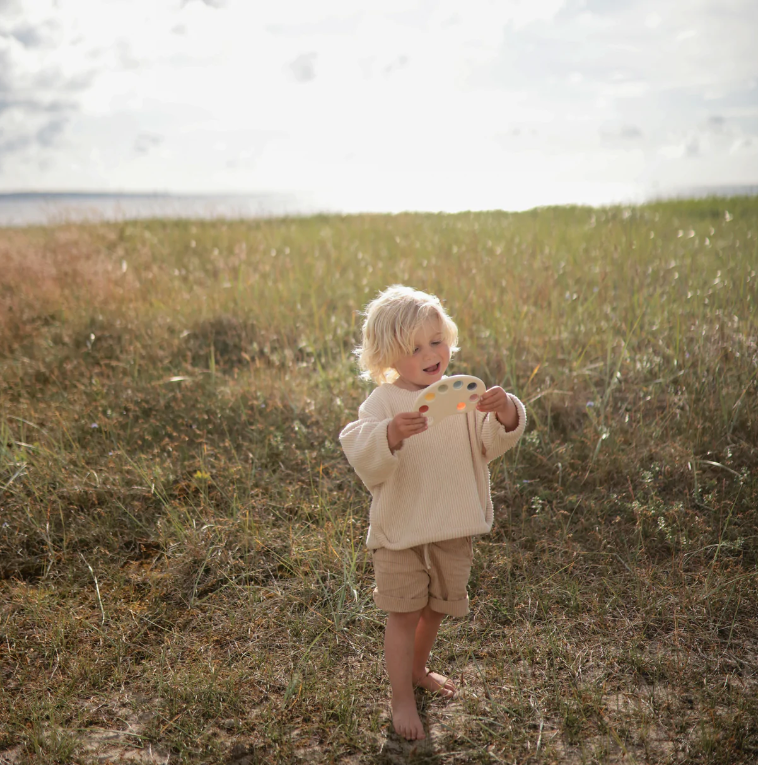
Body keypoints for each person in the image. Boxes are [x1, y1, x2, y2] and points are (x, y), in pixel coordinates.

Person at [339, 284, 527, 741]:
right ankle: (400, 695)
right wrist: (389, 435)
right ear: (386, 356)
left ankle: (419, 669)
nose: (431, 353)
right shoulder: (383, 403)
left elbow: (489, 441)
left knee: (437, 606)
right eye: (415, 347)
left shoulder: (460, 393)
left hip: (451, 521)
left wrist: (504, 412)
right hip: (401, 528)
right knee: (404, 611)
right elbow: (357, 445)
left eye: (437, 340)